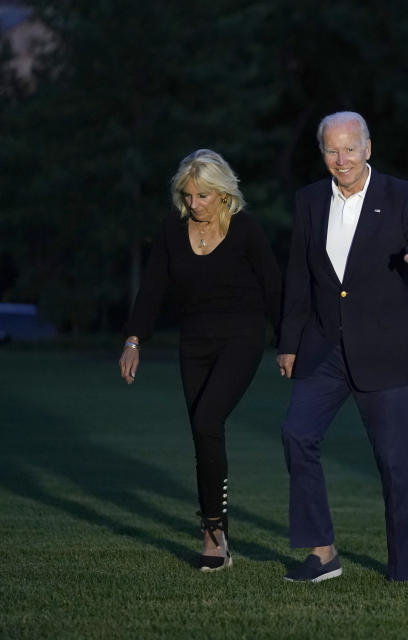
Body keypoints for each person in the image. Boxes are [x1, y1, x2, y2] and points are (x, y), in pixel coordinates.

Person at [277, 111, 408, 583]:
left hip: (383, 350)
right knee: (297, 434)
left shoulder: (401, 196)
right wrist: (288, 342)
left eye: (350, 148)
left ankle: (402, 569)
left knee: (393, 464)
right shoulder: (309, 200)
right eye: (332, 150)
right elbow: (299, 274)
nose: (342, 159)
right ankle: (322, 553)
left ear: (368, 148)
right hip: (323, 349)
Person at [119, 149, 282, 572]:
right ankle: (220, 533)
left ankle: (211, 532)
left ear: (223, 194)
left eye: (203, 196)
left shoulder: (245, 230)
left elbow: (274, 288)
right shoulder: (173, 230)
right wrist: (134, 340)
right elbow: (153, 288)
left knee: (208, 420)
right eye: (188, 195)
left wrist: (288, 343)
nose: (194, 204)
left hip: (241, 339)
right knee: (202, 433)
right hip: (193, 343)